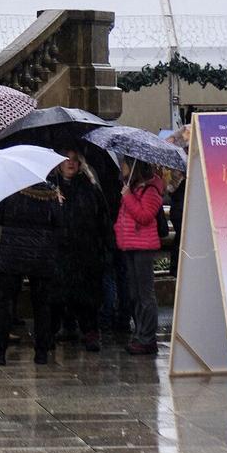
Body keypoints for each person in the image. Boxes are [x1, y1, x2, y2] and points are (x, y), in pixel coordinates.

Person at [0, 169, 62, 366]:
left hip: (12, 255)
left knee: (6, 303)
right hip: (41, 255)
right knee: (41, 305)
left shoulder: (12, 191)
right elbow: (59, 222)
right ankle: (41, 352)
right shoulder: (51, 195)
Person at [52, 150, 108, 352]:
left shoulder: (89, 187)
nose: (71, 163)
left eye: (75, 160)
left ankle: (91, 331)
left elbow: (101, 217)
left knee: (87, 294)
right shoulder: (52, 187)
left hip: (85, 251)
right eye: (67, 159)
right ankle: (65, 326)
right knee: (60, 293)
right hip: (60, 251)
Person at [113, 161, 165, 355]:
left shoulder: (151, 190)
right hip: (129, 246)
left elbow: (144, 216)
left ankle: (147, 337)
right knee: (134, 295)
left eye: (124, 164)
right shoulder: (132, 189)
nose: (122, 168)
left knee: (145, 295)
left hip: (143, 248)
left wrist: (127, 197)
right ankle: (140, 332)